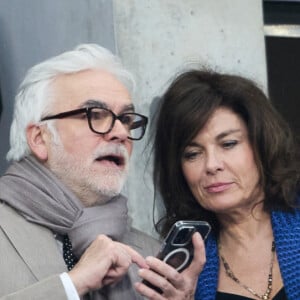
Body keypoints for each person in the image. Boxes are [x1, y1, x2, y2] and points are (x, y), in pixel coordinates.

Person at [0, 45, 204, 300]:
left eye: (126, 119)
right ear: (40, 138)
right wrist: (72, 285)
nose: (120, 132)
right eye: (96, 115)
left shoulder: (151, 257)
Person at [152, 69, 300, 300]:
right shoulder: (182, 268)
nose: (211, 165)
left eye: (228, 144)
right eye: (192, 154)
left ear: (262, 144)